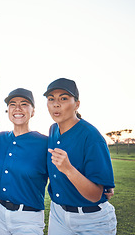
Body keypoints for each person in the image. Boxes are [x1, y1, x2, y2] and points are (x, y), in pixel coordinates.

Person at [43, 78, 117, 234]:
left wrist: (68, 169)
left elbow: (96, 195)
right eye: (51, 99)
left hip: (92, 220)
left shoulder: (91, 136)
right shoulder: (52, 130)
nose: (56, 104)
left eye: (63, 98)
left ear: (77, 104)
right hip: (58, 215)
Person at [0, 88, 48, 235]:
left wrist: (102, 185)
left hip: (28, 218)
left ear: (33, 111)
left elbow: (62, 174)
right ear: (8, 110)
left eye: (24, 104)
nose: (17, 108)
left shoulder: (44, 143)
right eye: (12, 104)